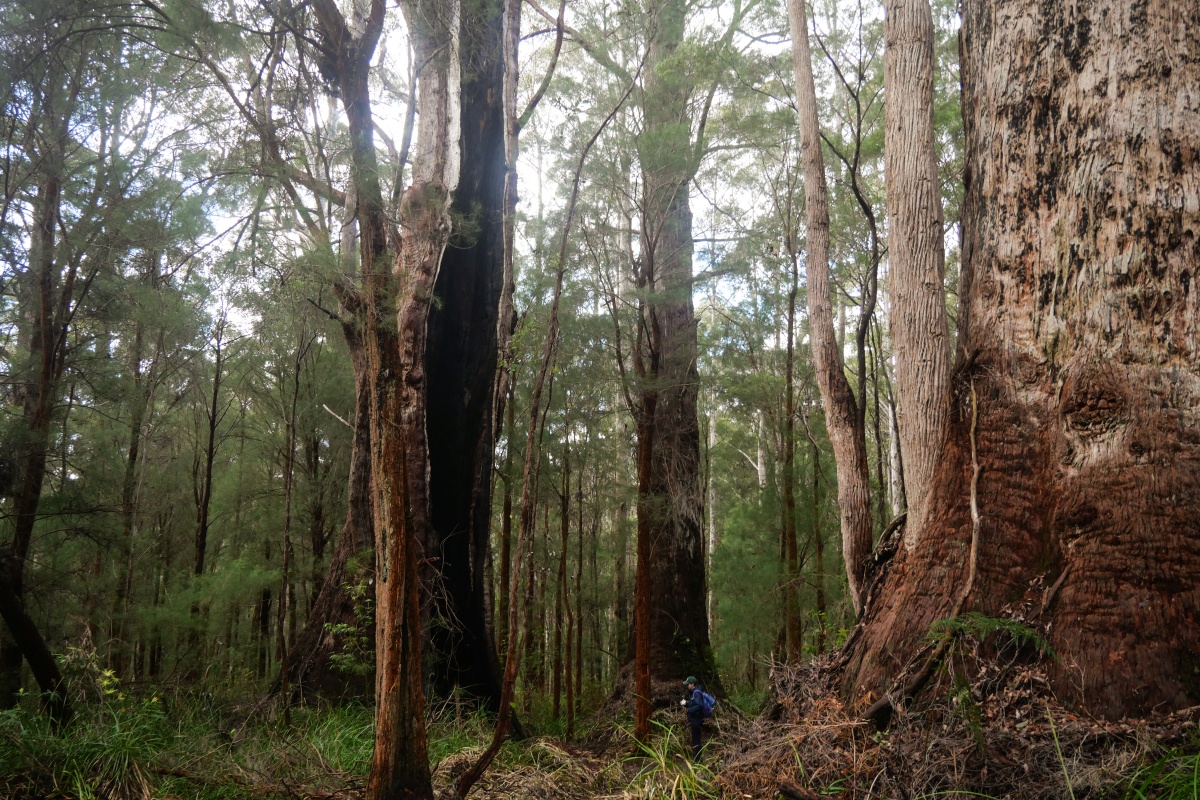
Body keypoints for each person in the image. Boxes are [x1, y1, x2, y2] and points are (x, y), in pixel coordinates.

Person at [680, 675, 706, 761]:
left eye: (688, 684)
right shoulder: (694, 693)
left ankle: (698, 760)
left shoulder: (696, 693)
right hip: (695, 719)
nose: (687, 686)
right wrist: (686, 703)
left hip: (697, 720)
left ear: (692, 684)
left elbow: (699, 705)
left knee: (696, 740)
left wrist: (689, 710)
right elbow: (694, 704)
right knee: (695, 740)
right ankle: (697, 759)